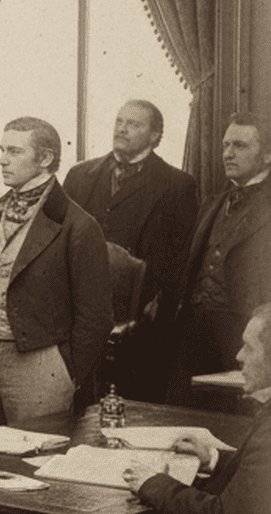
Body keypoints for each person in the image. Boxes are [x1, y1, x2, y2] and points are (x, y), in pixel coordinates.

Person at [0, 118, 113, 433]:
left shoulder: (78, 226)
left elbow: (95, 317)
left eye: (15, 151)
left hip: (42, 359)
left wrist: (67, 371)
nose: (2, 159)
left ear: (45, 159)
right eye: (2, 149)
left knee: (37, 458)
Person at [124, 304, 271, 514]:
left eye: (249, 346)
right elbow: (259, 480)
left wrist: (152, 483)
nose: (238, 356)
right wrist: (214, 458)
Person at [63, 100, 199, 400]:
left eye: (133, 124)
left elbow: (180, 261)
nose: (121, 129)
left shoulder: (177, 185)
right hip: (78, 312)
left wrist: (154, 312)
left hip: (140, 322)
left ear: (155, 135)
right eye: (119, 121)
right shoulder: (79, 176)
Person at [170, 112, 271, 405]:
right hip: (195, 333)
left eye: (240, 146)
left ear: (267, 155)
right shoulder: (214, 202)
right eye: (226, 145)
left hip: (245, 336)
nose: (228, 153)